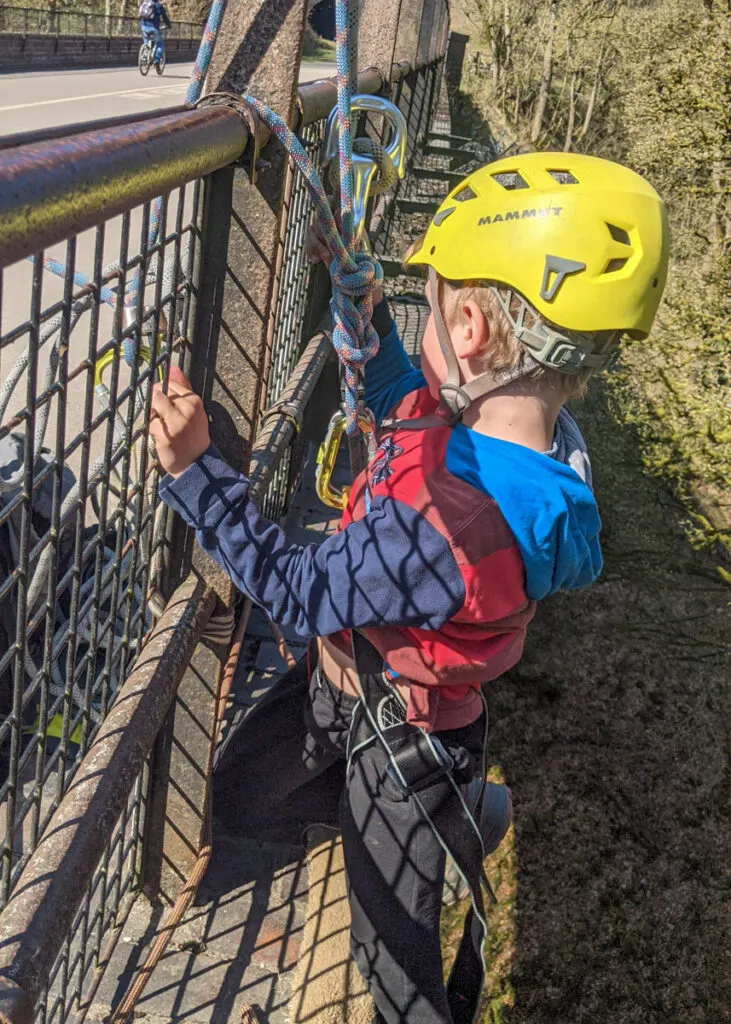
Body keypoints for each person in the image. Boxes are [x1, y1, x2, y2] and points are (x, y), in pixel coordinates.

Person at [150, 152, 669, 1024]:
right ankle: (450, 815)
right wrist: (365, 308)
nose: (420, 319)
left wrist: (197, 473)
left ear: (468, 327)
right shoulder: (515, 440)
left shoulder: (456, 523)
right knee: (242, 785)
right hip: (359, 685)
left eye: (423, 300)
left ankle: (435, 823)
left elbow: (301, 588)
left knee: (392, 968)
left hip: (405, 745)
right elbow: (403, 394)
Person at [138, 0, 170, 67]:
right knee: (159, 44)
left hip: (143, 27)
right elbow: (164, 17)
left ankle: (145, 53)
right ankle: (157, 60)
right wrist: (168, 25)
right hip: (153, 28)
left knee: (146, 41)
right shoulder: (158, 5)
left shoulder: (145, 3)